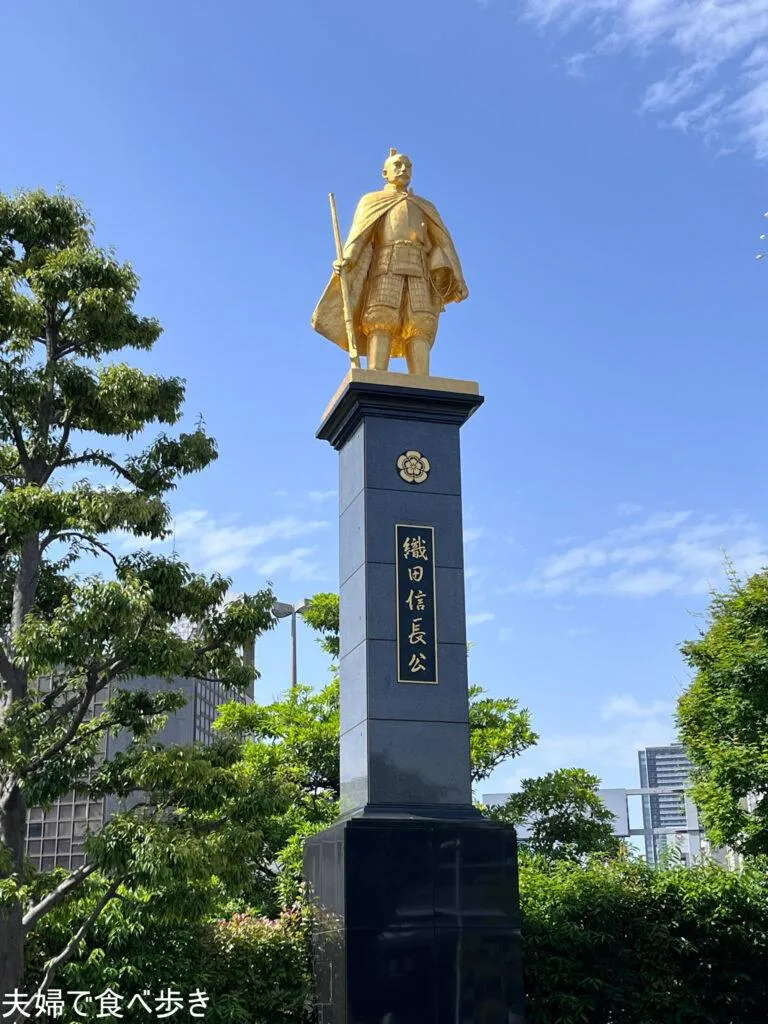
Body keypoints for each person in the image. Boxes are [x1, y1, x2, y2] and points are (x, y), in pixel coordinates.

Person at [312, 149, 468, 375]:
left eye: (408, 166)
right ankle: (376, 373)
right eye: (398, 165)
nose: (404, 169)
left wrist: (458, 275)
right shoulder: (372, 201)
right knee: (381, 317)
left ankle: (421, 379)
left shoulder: (424, 206)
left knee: (421, 322)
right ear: (385, 173)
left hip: (419, 267)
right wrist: (348, 258)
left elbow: (444, 242)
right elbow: (360, 235)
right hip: (386, 264)